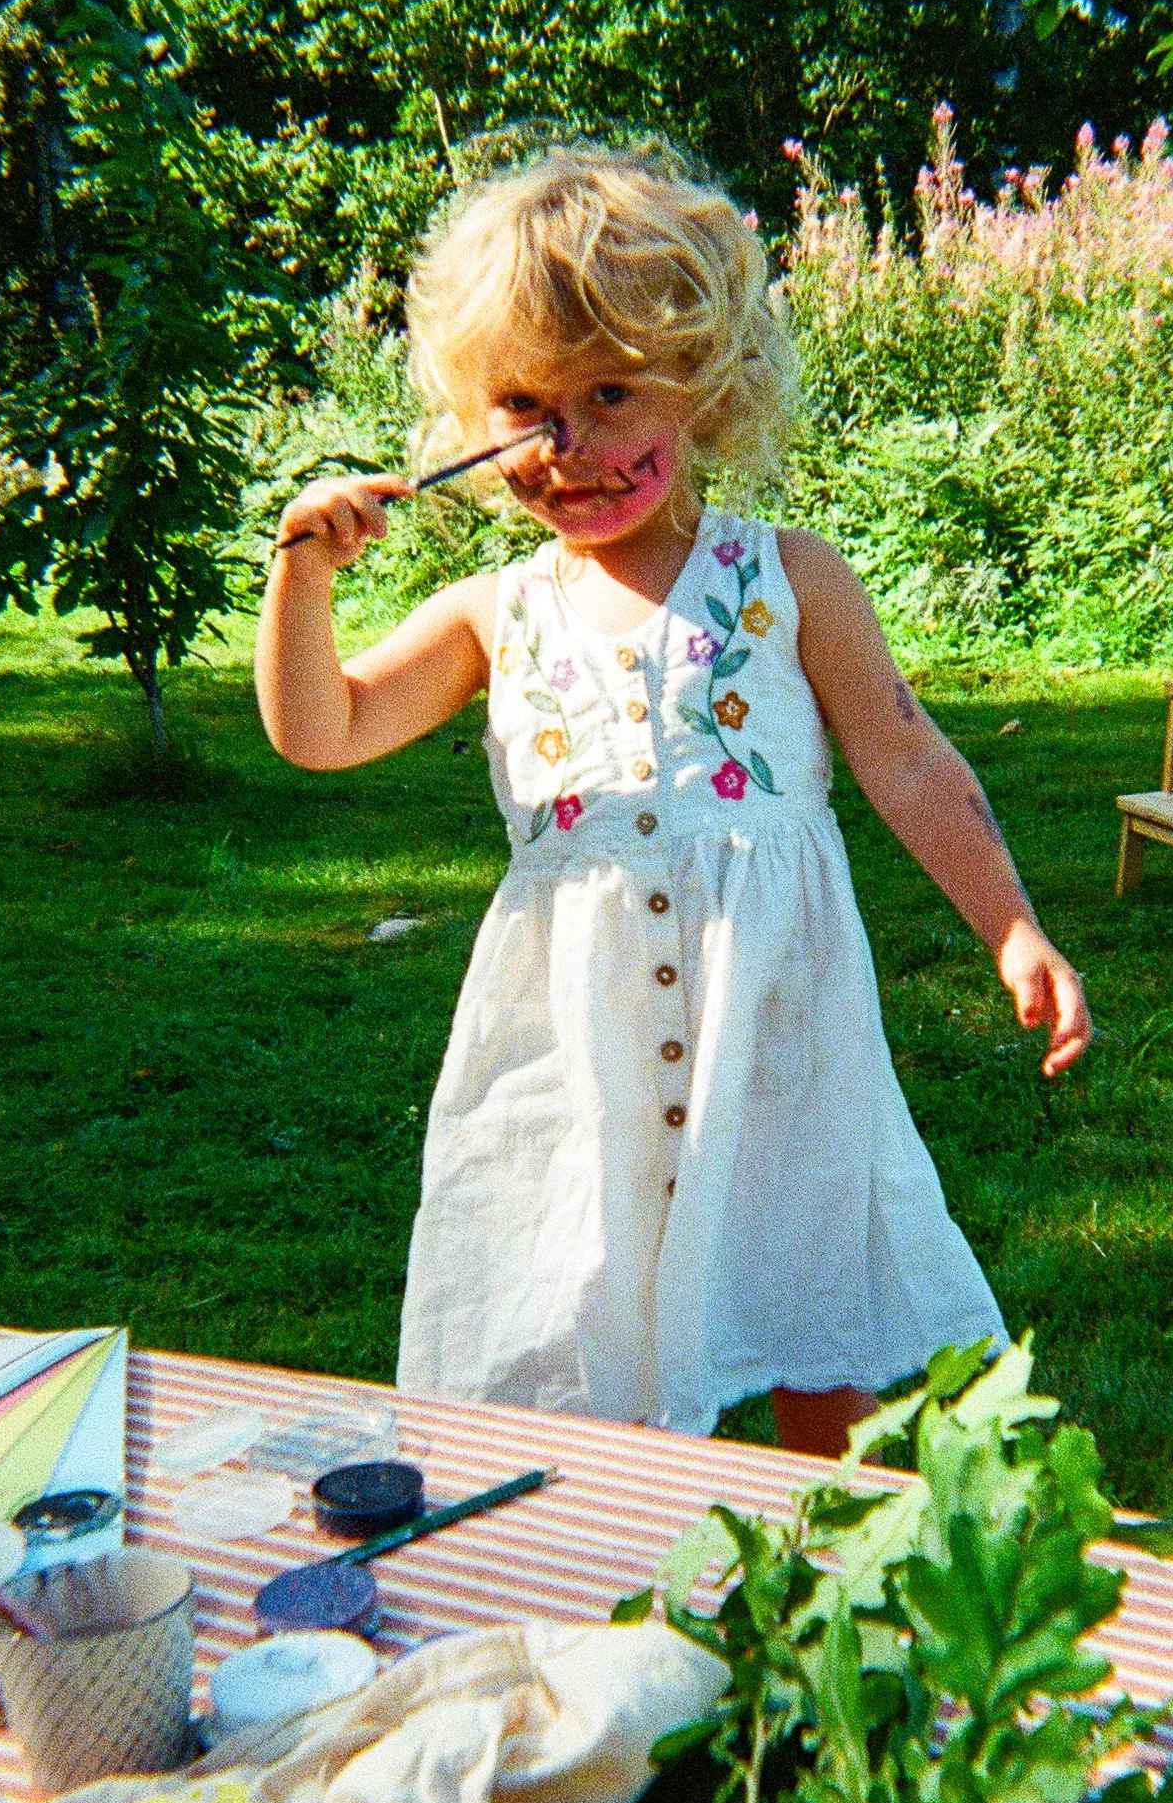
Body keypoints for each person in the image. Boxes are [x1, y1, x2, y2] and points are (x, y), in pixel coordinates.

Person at [256, 146, 1091, 1457]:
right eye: (528, 405)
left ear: (700, 384)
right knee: (603, 1307)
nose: (572, 447)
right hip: (576, 1041)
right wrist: (301, 577)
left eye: (609, 393)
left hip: (775, 1020)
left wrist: (1013, 927)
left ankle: (829, 1576)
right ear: (474, 419)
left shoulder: (793, 578)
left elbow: (910, 758)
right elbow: (326, 727)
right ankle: (634, 1574)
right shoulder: (496, 612)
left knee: (807, 1281)